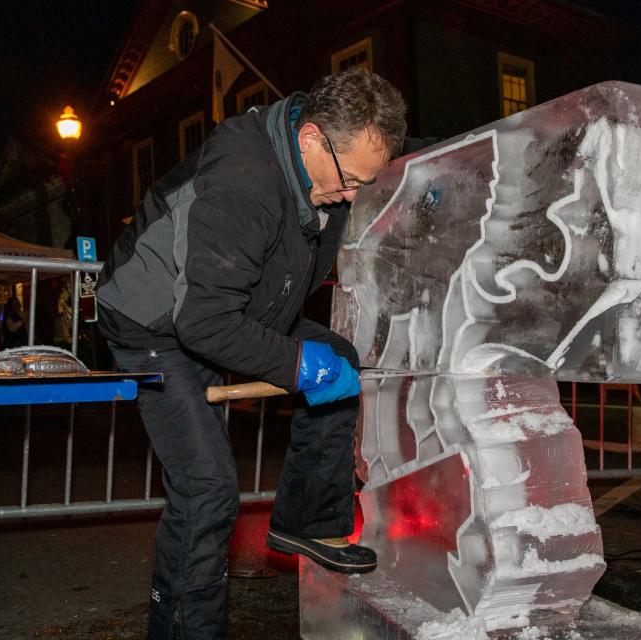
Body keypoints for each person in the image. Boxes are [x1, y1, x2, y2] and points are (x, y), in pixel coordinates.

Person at [96, 67, 408, 639]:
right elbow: (205, 324)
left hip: (234, 309)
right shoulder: (243, 182)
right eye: (350, 181)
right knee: (207, 488)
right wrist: (297, 366)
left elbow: (240, 308)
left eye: (367, 183)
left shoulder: (325, 168)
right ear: (311, 137)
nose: (353, 198)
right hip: (156, 325)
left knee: (339, 357)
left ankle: (308, 522)